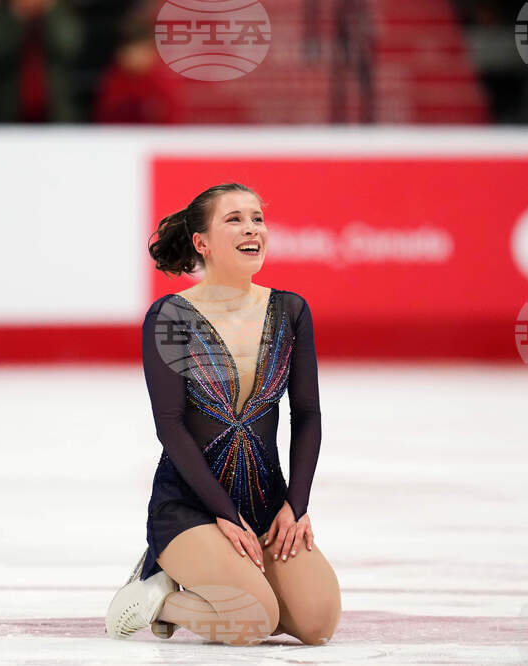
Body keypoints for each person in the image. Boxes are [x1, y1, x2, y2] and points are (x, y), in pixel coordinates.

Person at [104, 183, 341, 646]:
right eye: (234, 219)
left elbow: (308, 413)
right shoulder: (171, 317)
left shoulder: (290, 310)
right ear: (202, 243)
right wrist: (224, 512)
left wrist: (296, 506)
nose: (252, 228)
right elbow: (169, 425)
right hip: (191, 506)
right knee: (252, 621)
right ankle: (156, 594)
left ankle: (223, 583)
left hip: (267, 504)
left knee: (317, 624)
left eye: (257, 218)